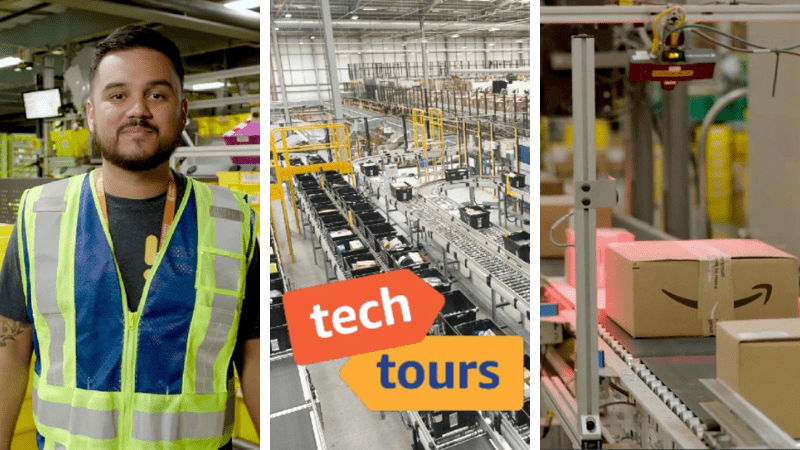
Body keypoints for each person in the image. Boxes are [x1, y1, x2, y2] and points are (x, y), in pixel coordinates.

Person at [0, 25, 260, 450]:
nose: (137, 109)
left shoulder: (234, 222)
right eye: (118, 95)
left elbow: (253, 357)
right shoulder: (40, 215)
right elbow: (9, 349)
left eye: (156, 95)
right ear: (90, 112)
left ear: (183, 110)